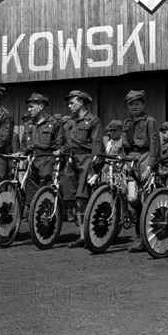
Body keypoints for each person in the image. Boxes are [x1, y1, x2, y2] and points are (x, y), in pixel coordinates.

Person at [59, 91, 104, 248]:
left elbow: (97, 144)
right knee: (74, 200)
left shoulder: (93, 121)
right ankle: (82, 235)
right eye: (69, 103)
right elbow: (66, 142)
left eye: (73, 103)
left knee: (82, 198)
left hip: (86, 160)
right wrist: (61, 150)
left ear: (82, 103)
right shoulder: (70, 122)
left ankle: (88, 235)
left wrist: (95, 165)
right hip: (72, 161)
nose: (69, 106)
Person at [121, 90, 160, 252]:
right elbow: (124, 144)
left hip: (145, 158)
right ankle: (141, 235)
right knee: (132, 198)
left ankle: (145, 240)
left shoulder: (150, 121)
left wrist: (150, 166)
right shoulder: (127, 122)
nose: (134, 107)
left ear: (143, 104)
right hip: (131, 159)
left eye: (137, 104)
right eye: (131, 104)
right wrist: (124, 161)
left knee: (146, 201)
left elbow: (154, 144)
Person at [18, 93, 63, 213]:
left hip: (47, 160)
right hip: (32, 161)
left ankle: (48, 216)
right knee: (30, 190)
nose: (29, 109)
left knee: (46, 190)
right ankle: (32, 215)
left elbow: (60, 144)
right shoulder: (29, 124)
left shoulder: (54, 123)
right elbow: (23, 145)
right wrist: (21, 154)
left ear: (41, 106)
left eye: (32, 106)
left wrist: (58, 154)